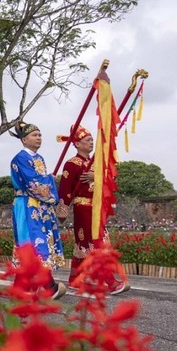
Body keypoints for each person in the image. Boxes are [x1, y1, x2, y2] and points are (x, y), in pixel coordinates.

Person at [56, 124, 130, 294]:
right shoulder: (71, 164)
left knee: (84, 244)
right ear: (77, 144)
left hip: (97, 207)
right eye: (87, 140)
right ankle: (110, 282)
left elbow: (107, 183)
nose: (91, 143)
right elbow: (65, 189)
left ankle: (75, 278)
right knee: (96, 243)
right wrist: (62, 209)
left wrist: (97, 176)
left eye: (91, 140)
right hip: (83, 207)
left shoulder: (96, 163)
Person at [10, 121, 66, 300]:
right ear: (24, 139)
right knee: (33, 242)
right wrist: (49, 181)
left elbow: (41, 180)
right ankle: (48, 286)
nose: (39, 138)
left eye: (40, 135)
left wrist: (48, 179)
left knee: (36, 243)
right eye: (35, 135)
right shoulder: (20, 158)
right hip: (27, 204)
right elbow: (32, 182)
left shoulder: (39, 158)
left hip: (40, 205)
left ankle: (23, 288)